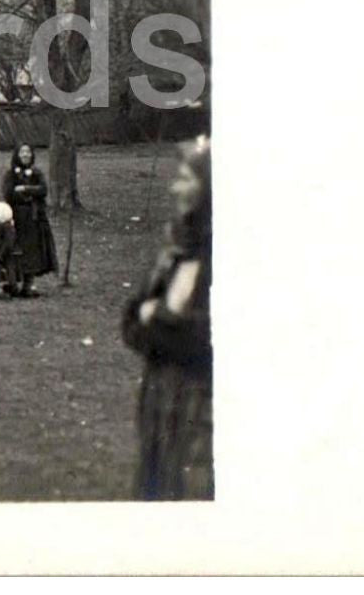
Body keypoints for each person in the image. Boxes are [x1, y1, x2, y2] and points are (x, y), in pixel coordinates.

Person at [122, 136, 213, 500]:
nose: (175, 188)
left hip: (202, 415)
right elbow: (132, 318)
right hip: (160, 406)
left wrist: (157, 323)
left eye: (186, 179)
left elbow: (207, 341)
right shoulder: (177, 248)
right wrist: (159, 323)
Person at [3, 144, 59, 296]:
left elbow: (43, 190)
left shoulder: (36, 172)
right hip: (17, 217)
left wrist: (25, 189)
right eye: (22, 152)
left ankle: (29, 284)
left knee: (33, 249)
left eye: (28, 152)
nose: (25, 155)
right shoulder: (11, 174)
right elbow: (8, 194)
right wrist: (28, 196)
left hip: (34, 217)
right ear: (17, 155)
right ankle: (13, 282)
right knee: (17, 249)